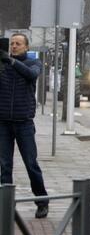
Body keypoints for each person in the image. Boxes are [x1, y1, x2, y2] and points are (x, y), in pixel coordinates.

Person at [0, 34, 49, 218]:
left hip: (24, 124)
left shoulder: (32, 63)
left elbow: (31, 75)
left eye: (18, 44)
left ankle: (42, 202)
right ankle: (6, 205)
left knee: (31, 164)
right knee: (5, 166)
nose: (14, 46)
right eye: (11, 44)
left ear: (26, 47)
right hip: (3, 123)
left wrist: (12, 62)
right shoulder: (2, 65)